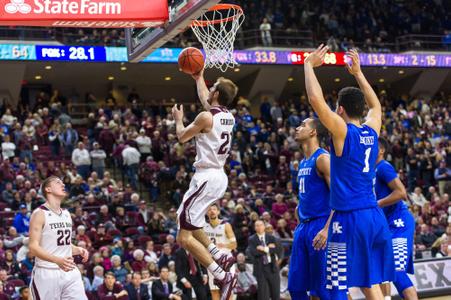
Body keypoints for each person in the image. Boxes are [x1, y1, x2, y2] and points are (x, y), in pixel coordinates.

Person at [304, 45, 394, 299]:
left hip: (350, 217)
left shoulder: (343, 132)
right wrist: (358, 73)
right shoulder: (372, 130)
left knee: (335, 283)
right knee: (368, 282)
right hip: (374, 215)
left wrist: (309, 66)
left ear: (340, 109)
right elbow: (376, 106)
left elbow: (315, 101)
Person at [172, 69, 239, 300]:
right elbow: (205, 99)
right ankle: (217, 254)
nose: (208, 90)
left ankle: (221, 275)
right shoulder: (227, 116)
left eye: (212, 87)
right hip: (217, 176)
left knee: (183, 237)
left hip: (206, 177)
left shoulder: (205, 118)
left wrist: (178, 121)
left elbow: (182, 137)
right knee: (191, 221)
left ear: (217, 93)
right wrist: (199, 77)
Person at [288, 118, 332, 300]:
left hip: (320, 225)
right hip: (303, 227)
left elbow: (340, 197)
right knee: (295, 287)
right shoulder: (303, 162)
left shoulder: (323, 158)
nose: (298, 128)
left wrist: (327, 229)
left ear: (313, 132)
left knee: (322, 290)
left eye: (303, 125)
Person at [28, 176, 90, 300]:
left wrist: (77, 249)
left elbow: (61, 243)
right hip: (47, 272)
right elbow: (33, 247)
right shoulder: (39, 213)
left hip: (69, 270)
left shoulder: (66, 214)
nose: (63, 185)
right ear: (48, 189)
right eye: (58, 182)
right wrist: (57, 260)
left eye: (62, 183)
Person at [376, 138, 418, 300]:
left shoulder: (384, 167)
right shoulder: (369, 171)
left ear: (380, 150)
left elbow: (402, 193)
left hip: (399, 223)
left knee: (396, 270)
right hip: (385, 225)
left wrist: (377, 204)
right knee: (382, 269)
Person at [204, 204, 238, 300]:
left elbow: (234, 244)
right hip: (212, 262)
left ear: (218, 212)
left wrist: (224, 245)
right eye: (209, 209)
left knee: (228, 290)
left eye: (214, 209)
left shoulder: (226, 225)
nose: (212, 211)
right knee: (214, 291)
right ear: (207, 212)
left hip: (226, 260)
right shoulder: (203, 227)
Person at [246, 220, 280, 300]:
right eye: (257, 225)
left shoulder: (271, 237)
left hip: (272, 268)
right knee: (263, 295)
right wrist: (269, 249)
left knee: (275, 293)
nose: (259, 227)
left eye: (261, 225)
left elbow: (277, 250)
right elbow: (254, 252)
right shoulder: (252, 239)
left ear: (264, 227)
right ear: (255, 228)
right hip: (260, 268)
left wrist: (264, 249)